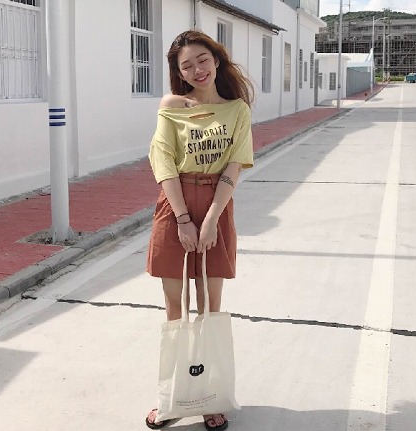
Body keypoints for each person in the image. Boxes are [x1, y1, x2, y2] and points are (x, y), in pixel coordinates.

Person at [145, 29, 254, 431]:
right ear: (179, 73)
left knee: (209, 307)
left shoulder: (237, 110)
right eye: (187, 65)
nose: (197, 70)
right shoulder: (172, 105)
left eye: (203, 60)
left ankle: (210, 396)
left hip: (216, 207)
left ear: (217, 59)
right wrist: (183, 219)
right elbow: (163, 160)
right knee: (175, 308)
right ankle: (172, 397)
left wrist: (209, 221)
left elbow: (234, 166)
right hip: (174, 205)